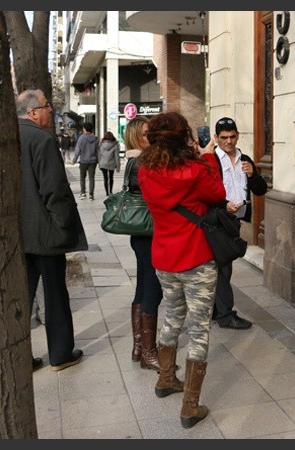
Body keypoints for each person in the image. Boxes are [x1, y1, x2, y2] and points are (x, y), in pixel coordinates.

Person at [137, 111, 226, 429]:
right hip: (197, 258)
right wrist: (209, 159)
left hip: (163, 256)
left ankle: (165, 379)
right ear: (184, 137)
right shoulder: (197, 168)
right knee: (199, 328)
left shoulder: (145, 171)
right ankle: (190, 405)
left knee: (172, 316)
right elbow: (218, 194)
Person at [16, 89, 87, 372]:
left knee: (22, 295)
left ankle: (20, 355)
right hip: (46, 231)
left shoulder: (9, 135)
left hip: (18, 232)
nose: (51, 111)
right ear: (34, 112)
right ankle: (60, 353)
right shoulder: (42, 139)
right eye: (47, 107)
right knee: (55, 292)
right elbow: (54, 189)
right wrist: (64, 224)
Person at [209, 117, 267, 329]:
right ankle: (225, 314)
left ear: (237, 136)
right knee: (223, 266)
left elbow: (261, 189)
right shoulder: (211, 160)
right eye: (224, 138)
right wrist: (224, 205)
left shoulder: (245, 159)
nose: (229, 141)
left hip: (236, 221)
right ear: (216, 138)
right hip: (217, 219)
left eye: (232, 137)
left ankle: (216, 310)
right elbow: (205, 192)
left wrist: (252, 175)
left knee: (222, 266)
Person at [124, 117, 164, 370]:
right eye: (148, 134)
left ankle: (139, 346)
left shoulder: (134, 161)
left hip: (142, 234)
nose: (153, 138)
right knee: (153, 289)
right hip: (149, 233)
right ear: (136, 137)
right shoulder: (141, 163)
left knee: (142, 287)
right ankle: (149, 353)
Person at [72, 122, 99, 200]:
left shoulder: (81, 138)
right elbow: (98, 151)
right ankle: (91, 194)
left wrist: (74, 160)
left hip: (83, 161)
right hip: (93, 161)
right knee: (91, 178)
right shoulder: (96, 139)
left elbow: (77, 150)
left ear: (85, 129)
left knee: (82, 177)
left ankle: (83, 193)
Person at [98, 130, 120, 196]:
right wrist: (118, 166)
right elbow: (116, 156)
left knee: (105, 179)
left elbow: (99, 154)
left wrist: (99, 163)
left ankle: (107, 193)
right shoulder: (115, 144)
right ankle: (110, 191)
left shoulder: (101, 144)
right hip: (111, 163)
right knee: (111, 178)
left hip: (103, 163)